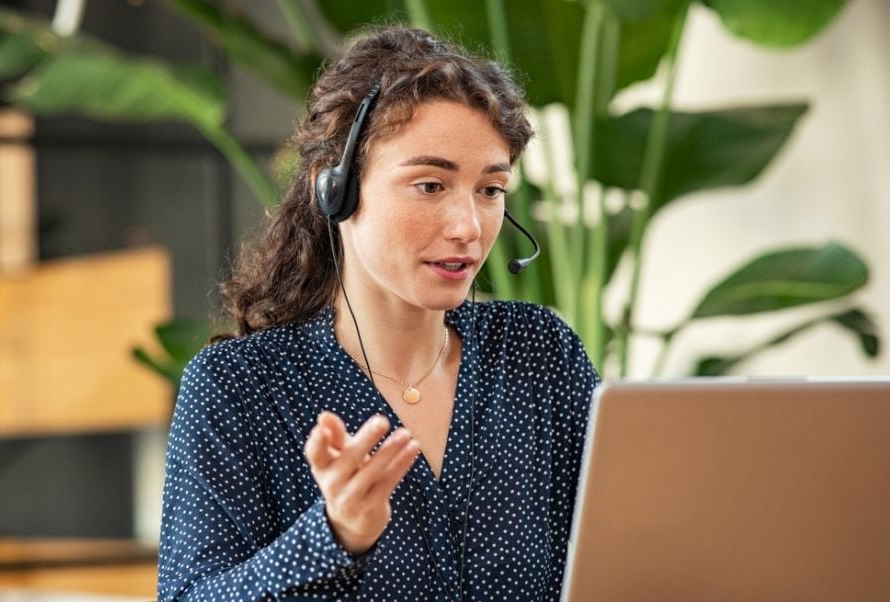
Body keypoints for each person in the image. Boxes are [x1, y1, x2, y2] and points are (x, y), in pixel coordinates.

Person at [157, 25, 599, 601]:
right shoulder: (240, 387)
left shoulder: (538, 354)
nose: (468, 226)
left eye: (490, 190)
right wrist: (334, 535)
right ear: (335, 191)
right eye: (430, 185)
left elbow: (623, 557)